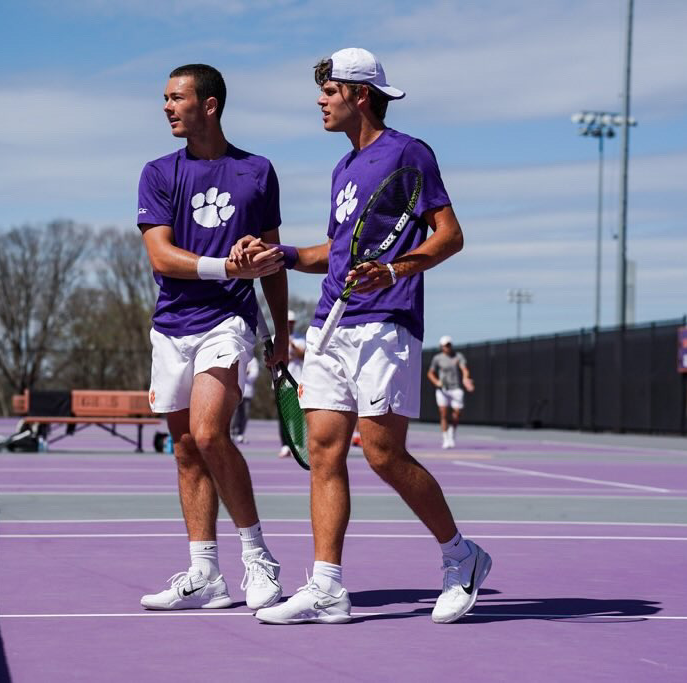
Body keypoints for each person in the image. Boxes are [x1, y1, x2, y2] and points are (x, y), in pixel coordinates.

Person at [233, 48, 491, 625]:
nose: (321, 101)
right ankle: (327, 585)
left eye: (330, 91)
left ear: (360, 94)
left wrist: (396, 269)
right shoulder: (342, 169)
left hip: (387, 321)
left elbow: (449, 236)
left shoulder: (409, 153)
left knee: (381, 453)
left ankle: (461, 556)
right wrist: (287, 254)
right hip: (332, 324)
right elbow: (338, 250)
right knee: (324, 452)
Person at [135, 64, 290, 613]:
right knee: (184, 449)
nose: (167, 107)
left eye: (176, 98)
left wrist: (281, 331)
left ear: (210, 105)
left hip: (228, 322)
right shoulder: (157, 172)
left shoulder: (257, 171)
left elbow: (272, 261)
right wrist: (227, 265)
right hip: (170, 326)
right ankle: (206, 574)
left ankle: (258, 559)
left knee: (208, 433)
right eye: (165, 98)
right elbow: (160, 256)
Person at [428, 335, 474, 449]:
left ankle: (451, 433)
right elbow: (430, 373)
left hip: (456, 389)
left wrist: (465, 378)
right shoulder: (437, 358)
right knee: (443, 414)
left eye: (449, 345)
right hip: (443, 390)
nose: (447, 347)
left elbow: (464, 369)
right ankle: (445, 439)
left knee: (457, 414)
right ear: (441, 347)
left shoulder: (458, 356)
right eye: (445, 345)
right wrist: (437, 382)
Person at [278, 309, 306, 458]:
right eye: (287, 322)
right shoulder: (276, 337)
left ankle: (299, 444)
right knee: (283, 415)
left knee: (297, 415)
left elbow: (303, 355)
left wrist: (291, 344)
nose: (289, 325)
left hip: (297, 381)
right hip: (281, 382)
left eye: (291, 323)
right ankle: (285, 445)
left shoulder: (301, 339)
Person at [231, 355, 260, 444]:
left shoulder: (253, 360)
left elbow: (254, 374)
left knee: (245, 413)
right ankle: (231, 432)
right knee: (234, 413)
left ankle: (241, 434)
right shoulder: (237, 357)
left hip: (247, 391)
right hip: (236, 390)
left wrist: (244, 373)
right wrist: (244, 372)